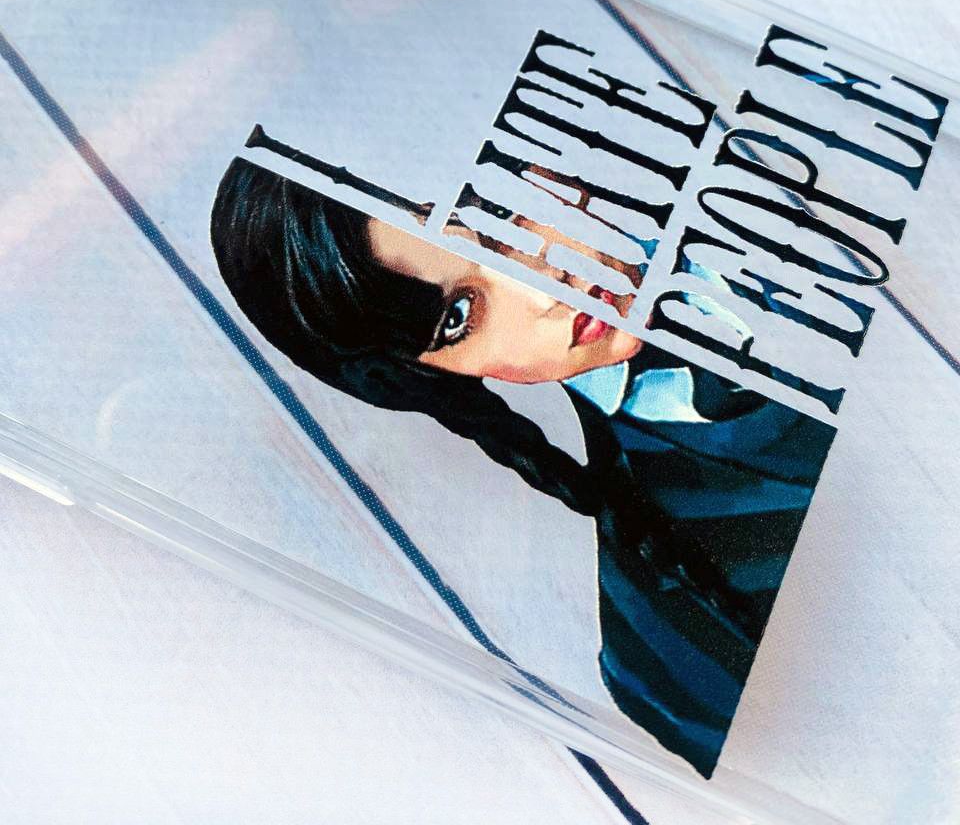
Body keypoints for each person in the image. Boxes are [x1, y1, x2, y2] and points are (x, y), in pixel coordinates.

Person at [210, 157, 834, 776]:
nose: (543, 293)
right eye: (458, 317)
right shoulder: (665, 646)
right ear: (429, 376)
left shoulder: (779, 170)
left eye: (497, 212)